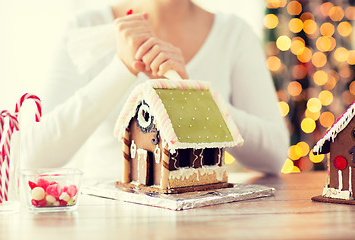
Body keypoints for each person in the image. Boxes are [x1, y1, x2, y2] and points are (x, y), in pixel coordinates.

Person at [21, 0, 290, 180]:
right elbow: (35, 157)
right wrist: (123, 68)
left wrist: (194, 97)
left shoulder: (234, 33)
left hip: (204, 222)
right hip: (106, 221)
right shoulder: (85, 28)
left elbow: (273, 156)